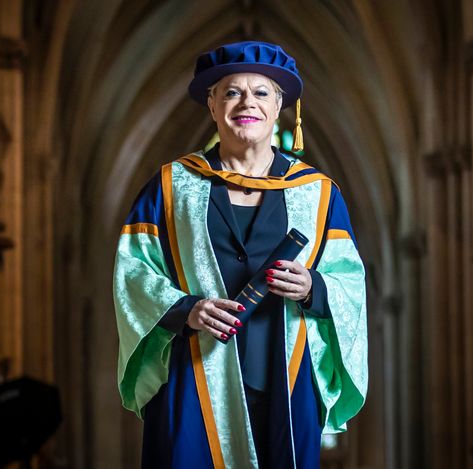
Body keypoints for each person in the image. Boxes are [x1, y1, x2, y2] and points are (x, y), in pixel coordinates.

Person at [113, 41, 367, 468]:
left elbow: (350, 282)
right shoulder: (170, 187)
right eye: (231, 92)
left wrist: (311, 287)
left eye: (261, 92)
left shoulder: (318, 194)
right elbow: (132, 273)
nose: (246, 102)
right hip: (194, 373)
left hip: (285, 374)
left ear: (280, 105)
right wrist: (187, 309)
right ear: (212, 105)